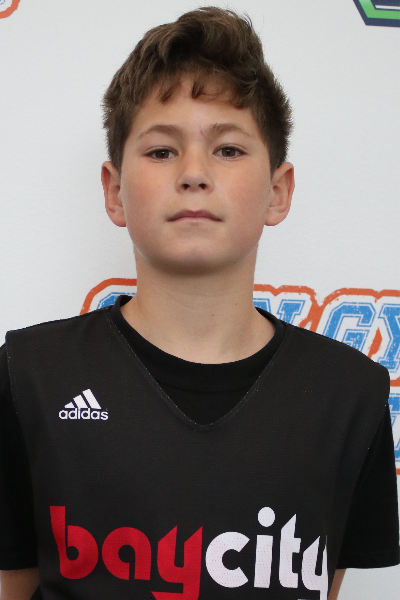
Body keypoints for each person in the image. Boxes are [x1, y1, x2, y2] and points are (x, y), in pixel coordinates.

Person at [0, 6, 398, 600]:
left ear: (278, 190)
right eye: (162, 151)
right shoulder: (30, 374)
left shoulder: (349, 396)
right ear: (114, 191)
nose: (194, 173)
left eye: (228, 150)